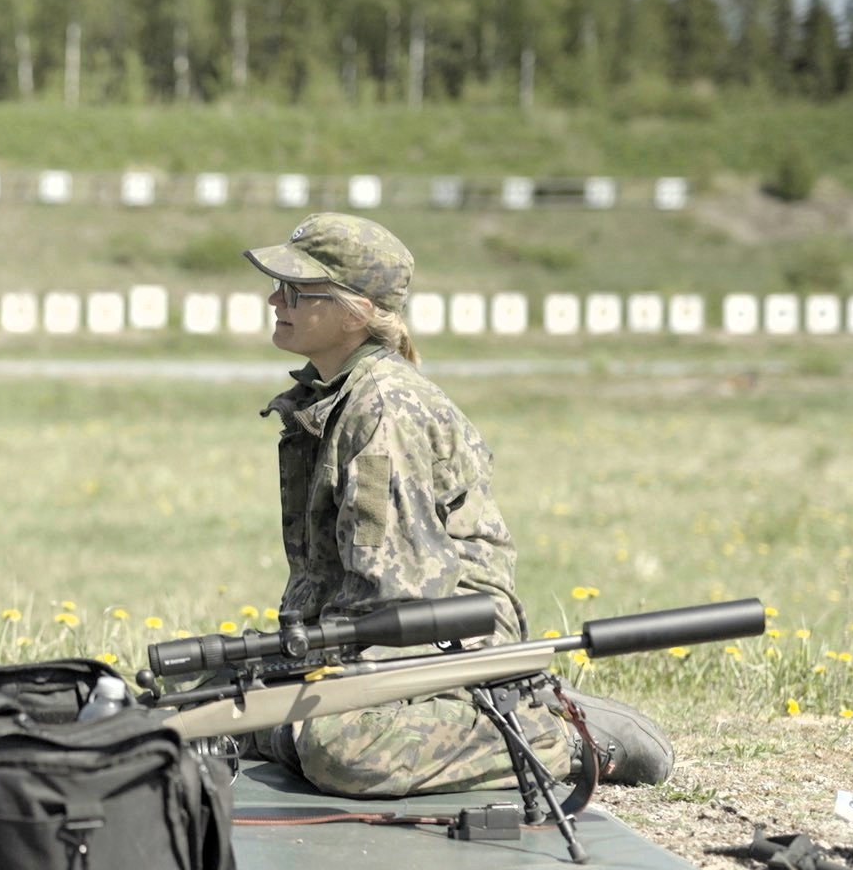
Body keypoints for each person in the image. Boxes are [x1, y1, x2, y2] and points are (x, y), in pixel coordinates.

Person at [242, 212, 670, 796]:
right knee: (224, 693)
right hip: (374, 632)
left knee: (338, 748)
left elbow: (402, 599)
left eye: (296, 290)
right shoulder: (334, 396)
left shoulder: (384, 410)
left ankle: (558, 736)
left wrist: (307, 696)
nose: (275, 298)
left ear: (354, 310)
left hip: (441, 640)